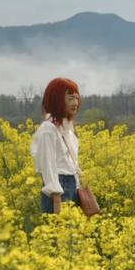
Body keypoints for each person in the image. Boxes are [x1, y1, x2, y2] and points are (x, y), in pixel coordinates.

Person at [30, 78, 83, 214]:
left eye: (76, 98)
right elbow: (48, 165)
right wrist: (56, 197)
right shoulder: (48, 129)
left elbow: (71, 162)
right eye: (70, 98)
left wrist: (77, 187)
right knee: (57, 232)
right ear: (57, 100)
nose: (75, 103)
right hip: (59, 188)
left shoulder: (66, 128)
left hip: (71, 184)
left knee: (72, 233)